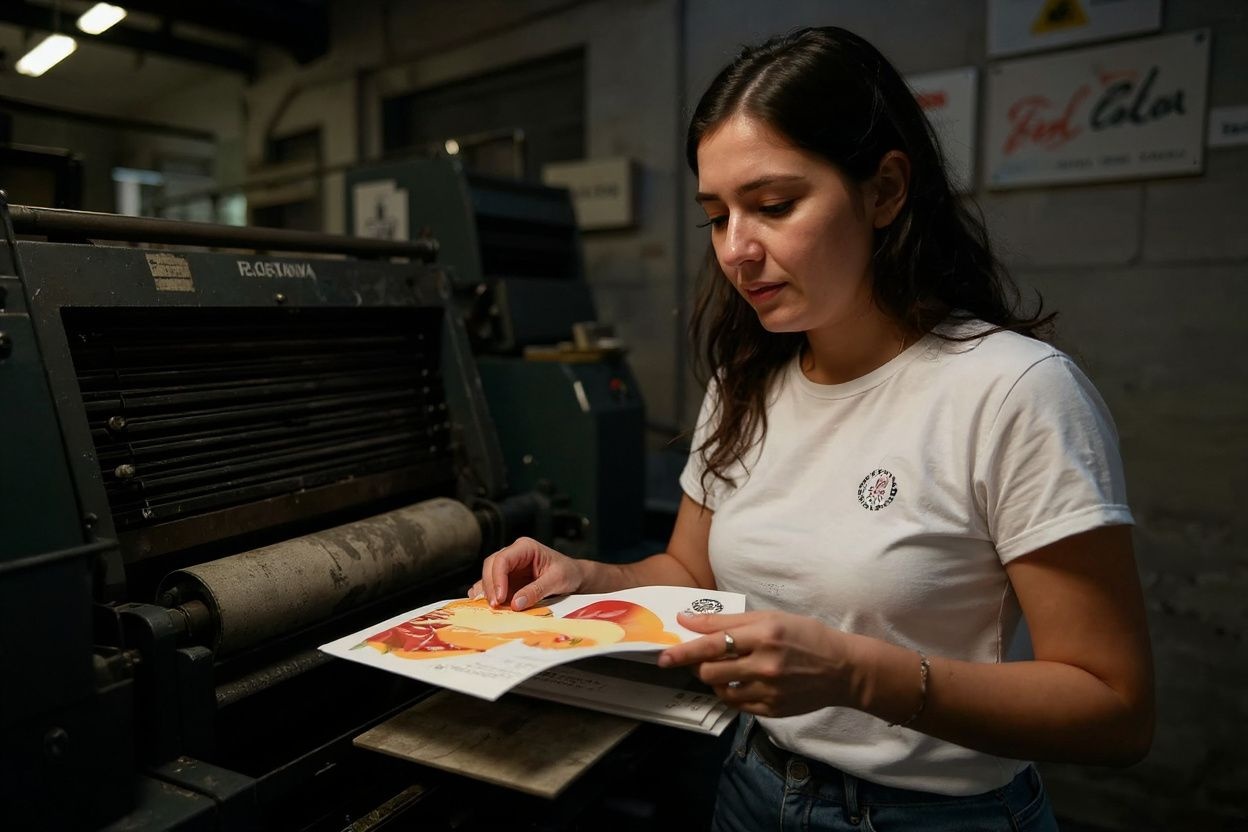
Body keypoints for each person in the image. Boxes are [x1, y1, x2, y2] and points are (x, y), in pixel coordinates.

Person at [469, 25, 1153, 832]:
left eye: (772, 206)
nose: (736, 251)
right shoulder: (747, 383)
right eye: (715, 217)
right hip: (753, 786)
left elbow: (1113, 707)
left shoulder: (1013, 393)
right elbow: (691, 568)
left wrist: (857, 675)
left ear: (885, 191)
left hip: (933, 817)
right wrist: (587, 578)